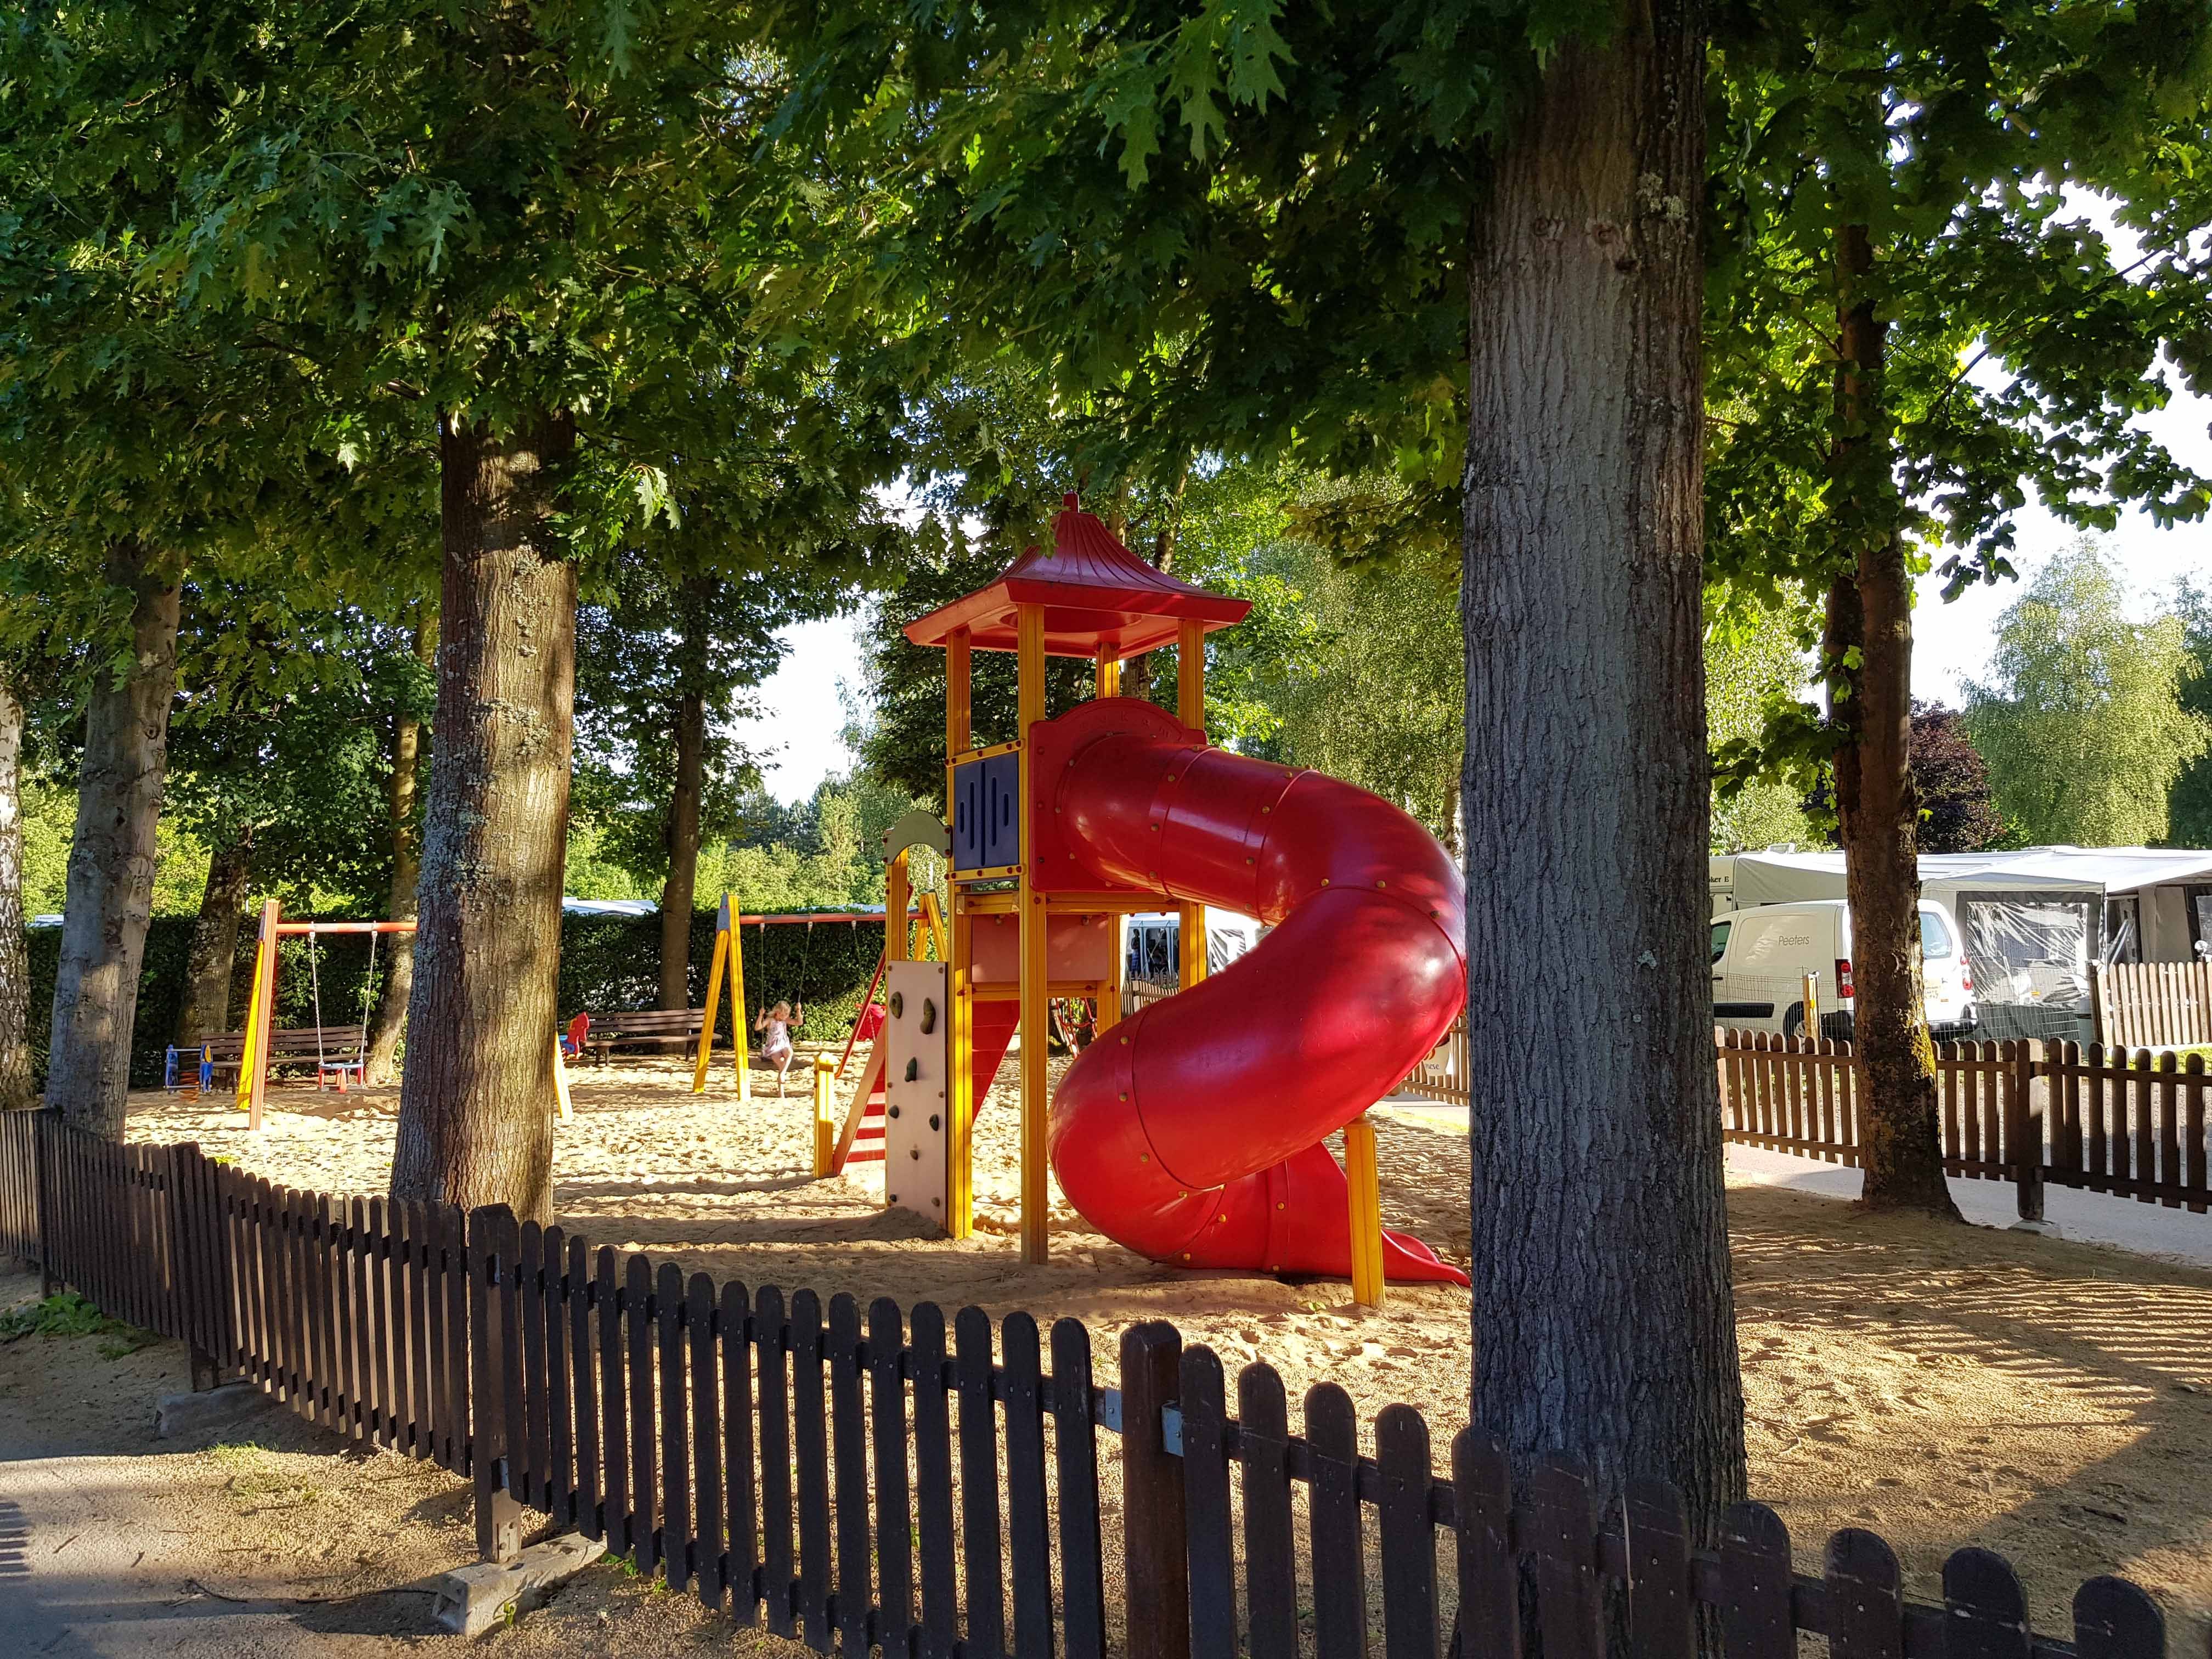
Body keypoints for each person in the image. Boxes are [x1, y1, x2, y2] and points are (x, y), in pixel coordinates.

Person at [754, 999, 805, 1096]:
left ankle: (782, 1074)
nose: (786, 1017)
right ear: (778, 1013)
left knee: (789, 1052)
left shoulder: (785, 1020)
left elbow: (799, 1023)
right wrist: (761, 1015)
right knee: (782, 1064)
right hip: (774, 1047)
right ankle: (781, 1091)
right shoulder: (770, 1020)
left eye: (787, 1015)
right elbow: (758, 1028)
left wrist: (798, 1011)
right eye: (784, 1015)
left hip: (784, 1044)